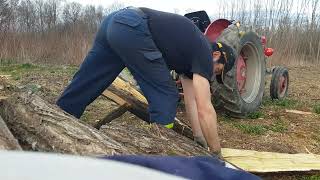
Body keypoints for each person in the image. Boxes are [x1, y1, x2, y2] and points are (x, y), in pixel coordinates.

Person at [56, 7, 235, 155]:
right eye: (217, 70)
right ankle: (158, 153)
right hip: (131, 27)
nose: (212, 74)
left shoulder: (191, 56)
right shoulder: (204, 52)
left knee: (88, 82)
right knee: (166, 95)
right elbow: (205, 109)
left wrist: (199, 138)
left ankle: (57, 123)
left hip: (115, 22)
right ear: (217, 55)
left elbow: (192, 101)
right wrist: (217, 152)